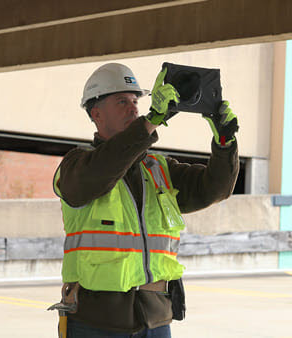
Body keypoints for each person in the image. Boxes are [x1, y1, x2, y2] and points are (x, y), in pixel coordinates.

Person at [51, 63, 239, 337]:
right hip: (96, 321)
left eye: (136, 101)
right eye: (122, 101)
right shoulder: (76, 165)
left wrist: (224, 144)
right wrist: (149, 122)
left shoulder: (159, 169)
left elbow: (214, 189)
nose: (134, 108)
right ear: (96, 113)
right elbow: (101, 170)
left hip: (155, 318)